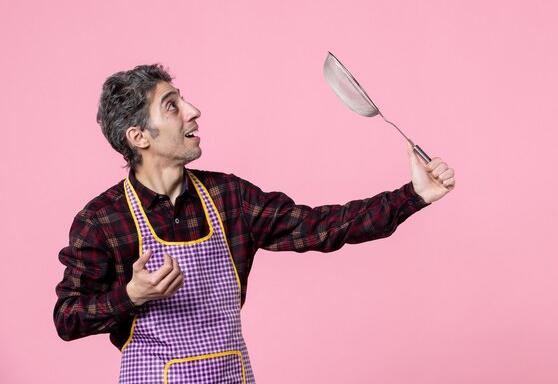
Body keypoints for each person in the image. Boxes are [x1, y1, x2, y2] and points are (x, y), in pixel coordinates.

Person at [54, 64, 455, 384]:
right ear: (139, 136)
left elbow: (324, 225)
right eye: (172, 106)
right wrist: (131, 295)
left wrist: (413, 195)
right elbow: (68, 318)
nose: (194, 111)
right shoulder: (102, 220)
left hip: (233, 375)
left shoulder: (230, 198)